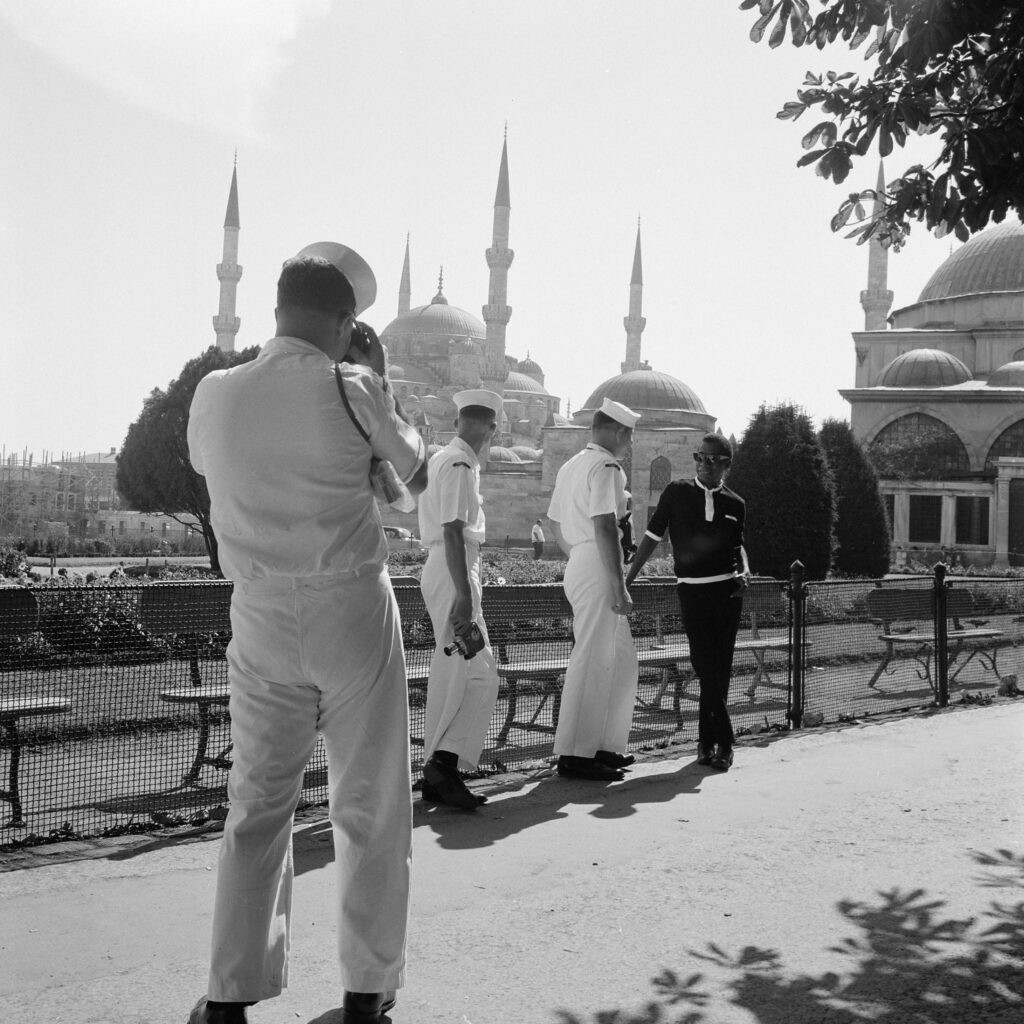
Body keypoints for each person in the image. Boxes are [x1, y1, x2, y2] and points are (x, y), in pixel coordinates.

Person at [185, 242, 428, 1024]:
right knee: (370, 802)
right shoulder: (350, 384)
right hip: (349, 607)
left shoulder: (215, 392)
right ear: (344, 320)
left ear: (278, 307)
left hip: (258, 611)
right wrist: (376, 378)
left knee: (257, 805)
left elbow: (207, 464)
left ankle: (230, 995)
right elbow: (415, 469)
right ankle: (367, 988)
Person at [625, 433, 751, 773]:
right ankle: (725, 739)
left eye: (711, 460)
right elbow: (652, 536)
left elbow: (738, 546)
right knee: (704, 665)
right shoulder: (677, 492)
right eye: (699, 457)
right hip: (692, 592)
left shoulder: (735, 503)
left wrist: (745, 571)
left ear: (726, 464)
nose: (703, 464)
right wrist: (629, 579)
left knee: (719, 668)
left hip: (727, 594)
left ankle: (708, 742)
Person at [417, 389, 503, 810]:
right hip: (454, 571)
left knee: (473, 672)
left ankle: (441, 767)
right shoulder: (460, 463)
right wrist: (464, 595)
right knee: (465, 671)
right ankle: (439, 767)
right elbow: (453, 531)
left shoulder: (446, 458)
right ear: (492, 428)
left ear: (459, 422)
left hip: (452, 568)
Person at [547, 397, 640, 781]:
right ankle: (576, 753)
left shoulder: (572, 465)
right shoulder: (606, 466)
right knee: (593, 657)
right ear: (617, 432)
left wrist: (579, 553)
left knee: (619, 658)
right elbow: (605, 524)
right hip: (599, 562)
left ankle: (604, 744)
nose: (629, 445)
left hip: (583, 560)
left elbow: (555, 524)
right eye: (628, 437)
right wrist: (618, 584)